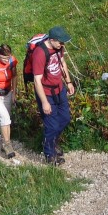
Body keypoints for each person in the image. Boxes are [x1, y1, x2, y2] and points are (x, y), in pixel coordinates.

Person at [31, 26, 75, 165]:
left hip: (59, 89)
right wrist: (44, 102)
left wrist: (68, 82)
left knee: (65, 118)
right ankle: (49, 154)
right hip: (46, 93)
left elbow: (62, 63)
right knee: (52, 125)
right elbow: (37, 80)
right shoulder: (40, 53)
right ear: (52, 40)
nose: (63, 45)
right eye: (61, 42)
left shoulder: (58, 48)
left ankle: (53, 142)